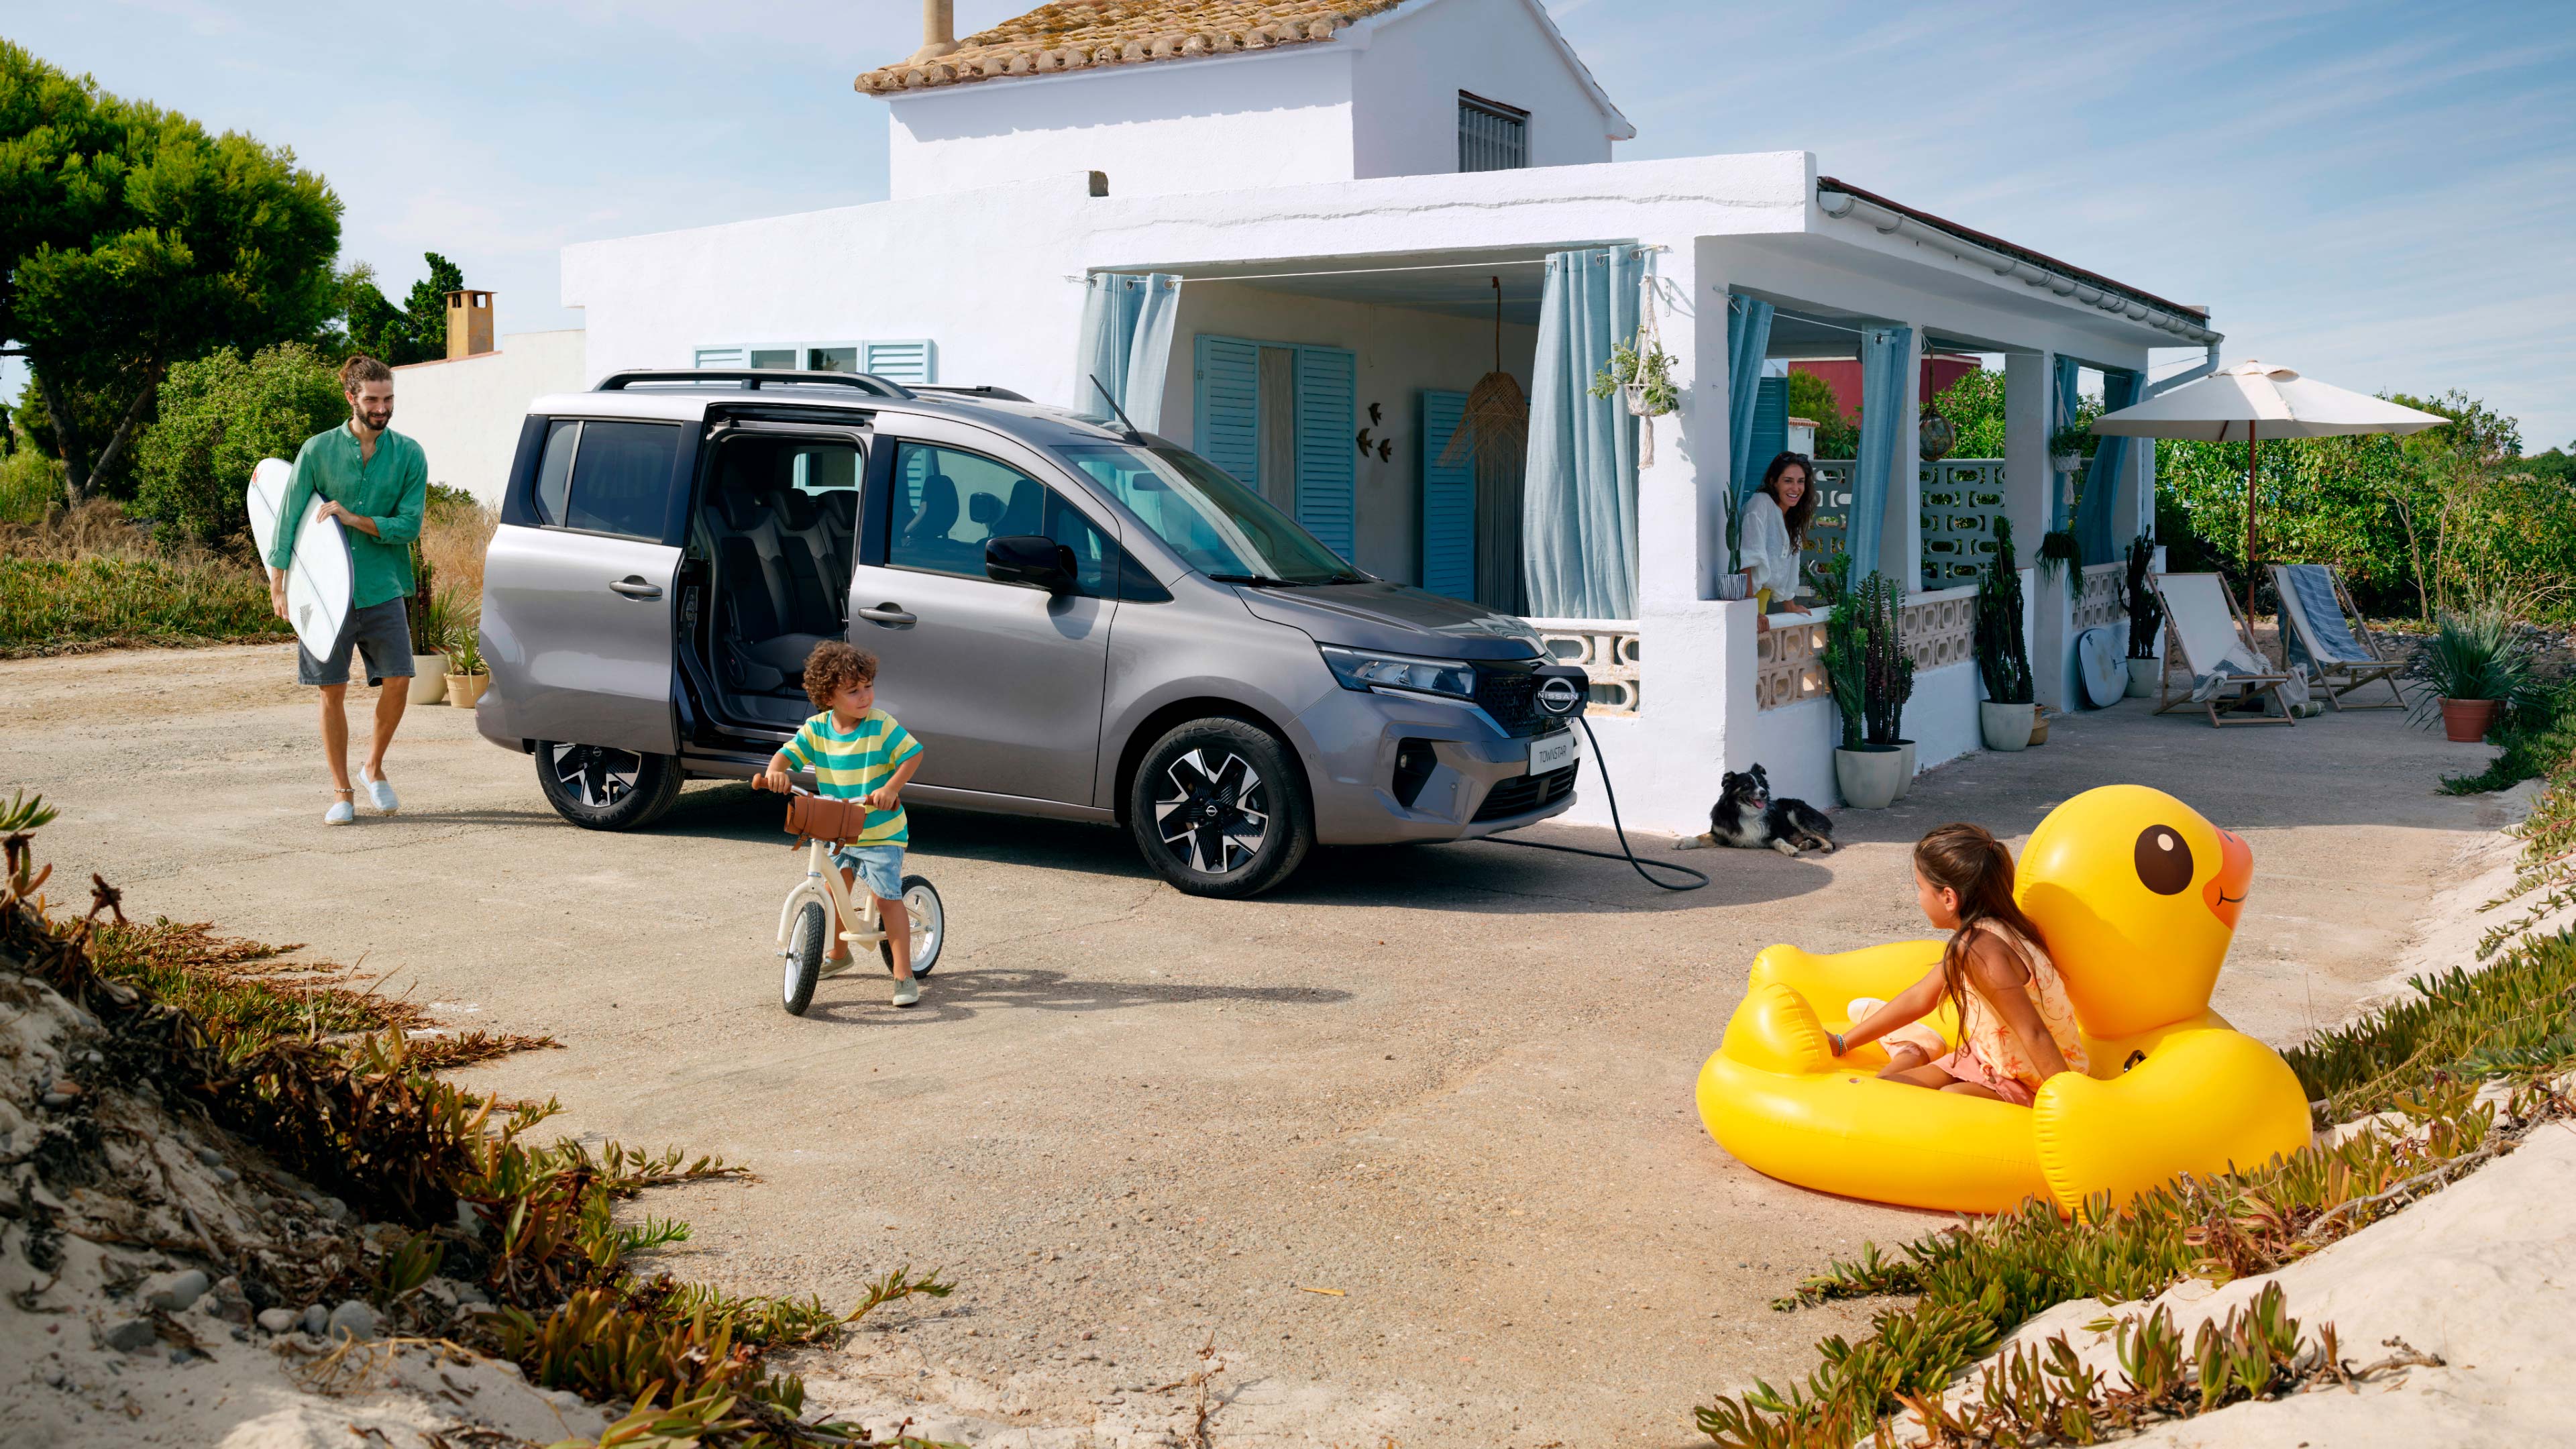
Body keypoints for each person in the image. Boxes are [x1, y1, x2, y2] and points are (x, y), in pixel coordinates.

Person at [266, 356, 429, 826]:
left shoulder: (410, 454)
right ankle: (342, 791)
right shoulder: (317, 451)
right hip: (322, 594)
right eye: (373, 399)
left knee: (398, 679)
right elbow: (288, 516)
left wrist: (353, 518)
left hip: (382, 586)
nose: (382, 408)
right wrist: (279, 582)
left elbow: (409, 525)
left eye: (389, 399)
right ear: (351, 398)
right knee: (330, 691)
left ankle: (373, 767)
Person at [1828, 823, 2090, 1104]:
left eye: (1921, 888)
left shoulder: (1980, 950)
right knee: (1882, 1092)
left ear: (1949, 898)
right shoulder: (1984, 932)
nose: (1919, 897)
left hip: (2035, 1079)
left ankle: (1916, 1050)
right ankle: (1914, 1049)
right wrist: (1843, 1043)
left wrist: (2067, 1103)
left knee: (1949, 1100)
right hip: (1990, 1060)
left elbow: (2034, 1032)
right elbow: (1920, 998)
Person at [759, 642, 928, 1007]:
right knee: (835, 895)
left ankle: (903, 974)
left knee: (886, 899)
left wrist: (889, 788)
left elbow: (913, 754)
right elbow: (788, 754)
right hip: (836, 828)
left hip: (879, 829)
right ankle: (838, 954)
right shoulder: (817, 729)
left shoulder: (881, 725)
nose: (864, 696)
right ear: (828, 696)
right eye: (853, 691)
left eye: (868, 686)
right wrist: (776, 772)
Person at [1738, 451, 1817, 629]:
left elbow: (1792, 563)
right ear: (1774, 482)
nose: (1796, 488)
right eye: (1788, 481)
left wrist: (1790, 605)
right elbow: (1747, 560)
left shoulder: (1792, 515)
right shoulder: (1760, 504)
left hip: (1762, 597)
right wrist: (1750, 608)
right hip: (1747, 597)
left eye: (1801, 481)